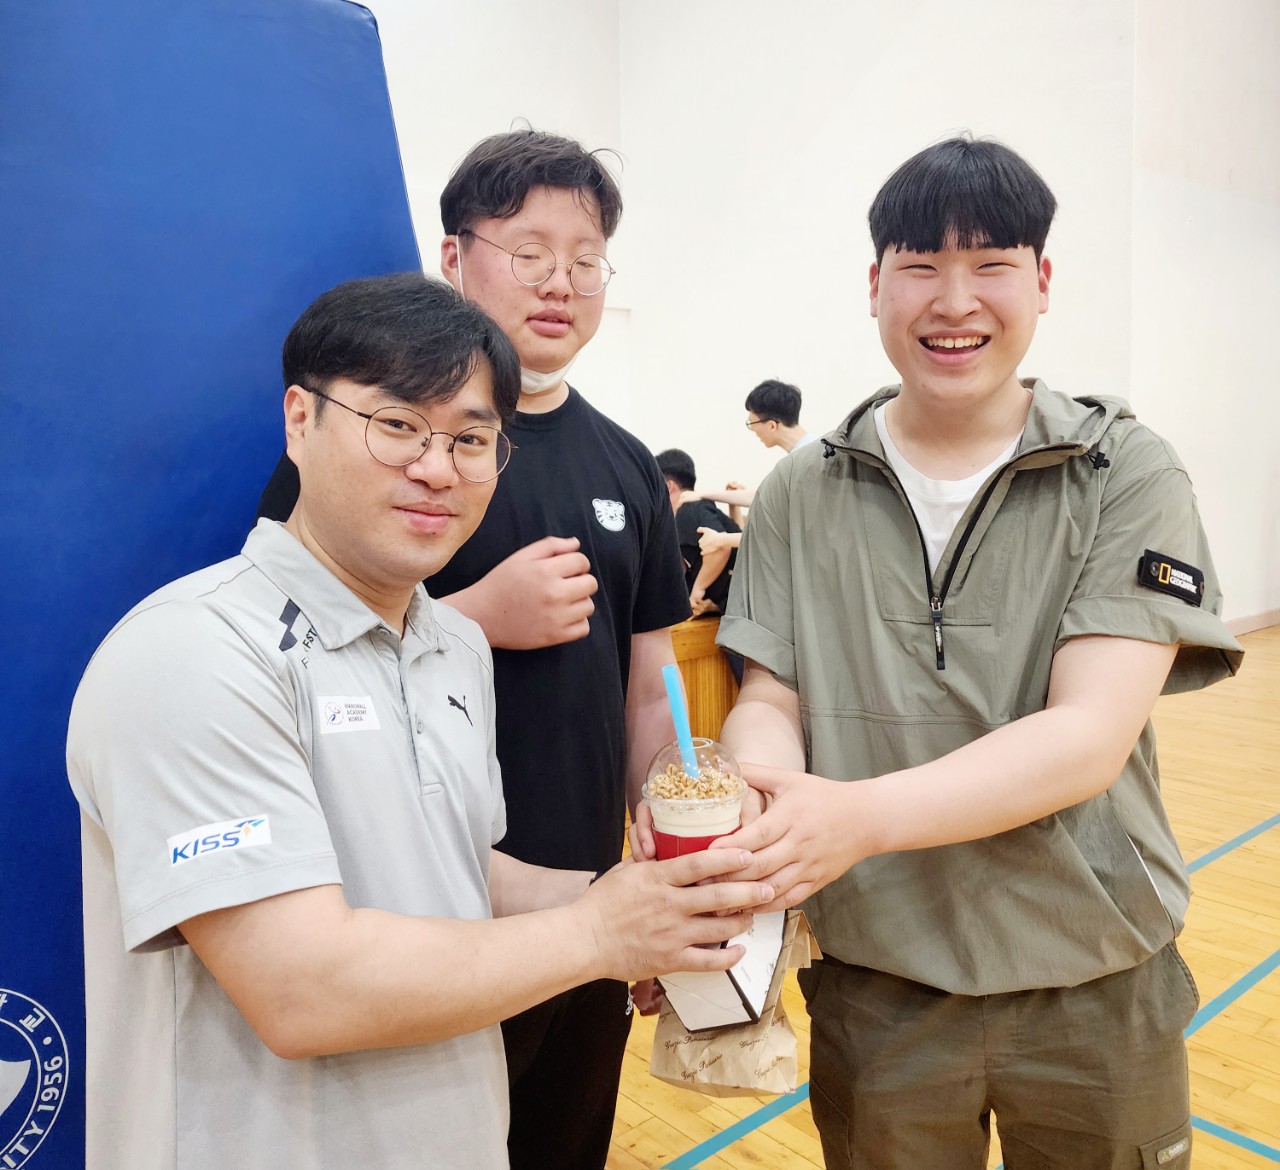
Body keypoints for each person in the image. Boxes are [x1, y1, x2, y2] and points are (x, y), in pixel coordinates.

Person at [66, 273, 772, 1170]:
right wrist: (599, 933)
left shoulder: (454, 646)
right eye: (397, 424)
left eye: (471, 438)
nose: (438, 467)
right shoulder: (191, 654)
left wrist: (652, 904)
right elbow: (301, 989)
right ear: (299, 421)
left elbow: (458, 869)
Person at [642, 137, 1245, 1169]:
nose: (953, 301)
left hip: (1093, 972)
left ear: (1041, 281)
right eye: (920, 266)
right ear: (875, 285)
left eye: (990, 264)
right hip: (879, 978)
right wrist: (762, 801)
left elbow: (1087, 735)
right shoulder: (800, 493)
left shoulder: (1122, 471)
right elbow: (771, 694)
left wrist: (852, 818)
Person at [255, 130, 690, 1170]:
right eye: (528, 251)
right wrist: (475, 615)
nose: (559, 281)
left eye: (585, 259)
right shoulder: (363, 450)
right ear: (454, 257)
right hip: (413, 918)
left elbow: (649, 688)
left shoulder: (627, 463)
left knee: (566, 1142)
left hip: (585, 902)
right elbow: (282, 641)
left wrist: (671, 841)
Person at [684, 378, 817, 562]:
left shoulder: (806, 463)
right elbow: (763, 496)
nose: (753, 431)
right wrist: (704, 494)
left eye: (752, 424)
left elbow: (784, 534)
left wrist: (721, 539)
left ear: (771, 425)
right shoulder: (807, 452)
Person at [655, 447, 740, 618]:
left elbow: (721, 548)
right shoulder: (684, 514)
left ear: (668, 486)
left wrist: (697, 592)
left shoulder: (688, 509)